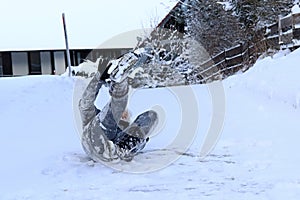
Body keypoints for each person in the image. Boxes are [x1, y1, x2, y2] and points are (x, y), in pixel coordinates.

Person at [79, 51, 158, 162]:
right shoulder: (94, 118)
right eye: (123, 115)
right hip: (93, 141)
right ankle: (121, 78)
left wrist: (142, 137)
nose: (124, 116)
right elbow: (85, 104)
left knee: (152, 115)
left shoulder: (124, 136)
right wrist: (98, 78)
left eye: (125, 116)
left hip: (113, 150)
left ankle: (120, 78)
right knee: (115, 110)